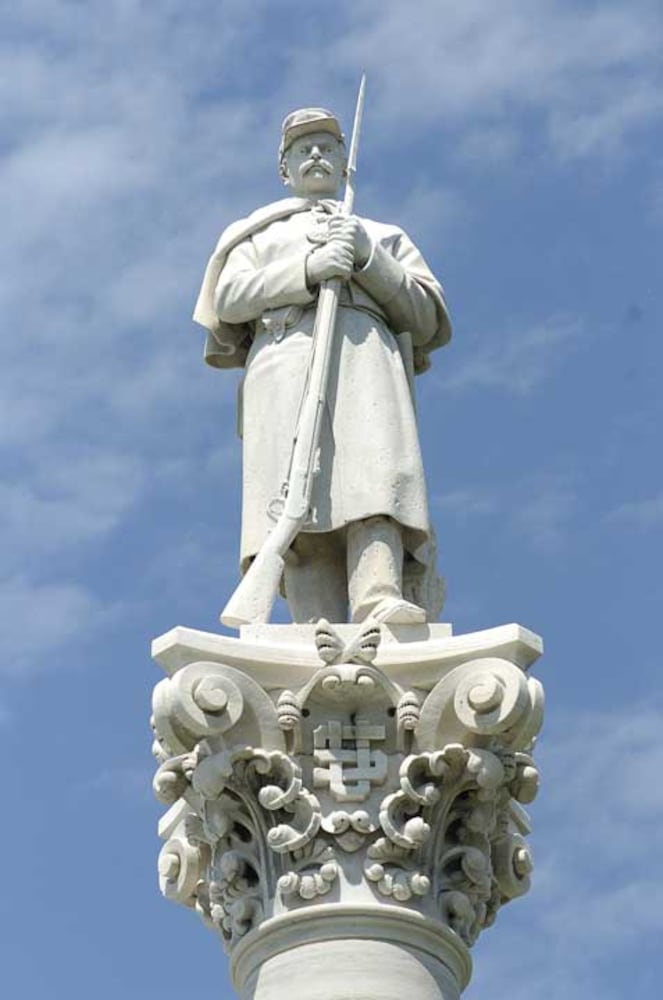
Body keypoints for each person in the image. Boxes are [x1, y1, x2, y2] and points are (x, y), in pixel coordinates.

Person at [193, 107, 451, 625]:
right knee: (296, 492)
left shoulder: (380, 234)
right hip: (284, 360)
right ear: (285, 169)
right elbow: (228, 297)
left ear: (343, 164)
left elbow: (426, 315)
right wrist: (307, 270)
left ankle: (379, 593)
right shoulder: (254, 234)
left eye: (327, 147)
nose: (316, 155)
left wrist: (368, 259)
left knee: (376, 474)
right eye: (302, 149)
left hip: (364, 358)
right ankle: (314, 620)